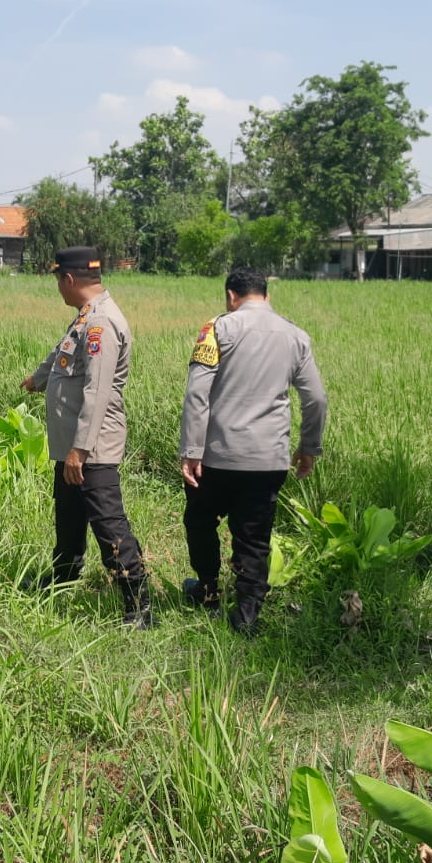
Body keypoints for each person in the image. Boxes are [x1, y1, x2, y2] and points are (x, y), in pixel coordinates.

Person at [179, 268, 328, 634]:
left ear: (231, 296)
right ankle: (246, 616)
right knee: (254, 536)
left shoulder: (217, 328)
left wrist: (191, 450)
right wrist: (308, 448)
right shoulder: (296, 336)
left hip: (217, 456)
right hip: (268, 459)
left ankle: (208, 589)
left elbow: (197, 394)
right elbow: (316, 400)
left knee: (200, 521)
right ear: (267, 296)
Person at [21, 246, 152, 629]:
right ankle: (63, 577)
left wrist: (80, 450)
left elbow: (98, 391)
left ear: (69, 279)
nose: (57, 288)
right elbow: (62, 356)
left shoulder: (101, 324)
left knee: (109, 524)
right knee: (69, 520)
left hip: (91, 448)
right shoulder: (85, 317)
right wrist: (38, 379)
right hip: (72, 447)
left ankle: (139, 604)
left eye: (57, 280)